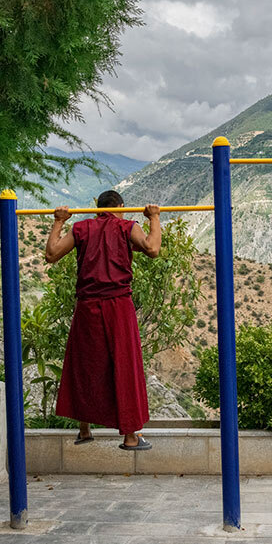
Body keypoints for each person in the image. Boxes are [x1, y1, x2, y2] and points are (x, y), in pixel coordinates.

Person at [45, 190, 161, 449]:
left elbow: (51, 254)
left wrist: (58, 221)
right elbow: (152, 249)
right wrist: (154, 217)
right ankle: (130, 436)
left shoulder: (81, 228)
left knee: (85, 364)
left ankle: (84, 430)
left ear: (98, 207)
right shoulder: (125, 226)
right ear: (120, 207)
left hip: (87, 307)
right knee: (124, 363)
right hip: (119, 306)